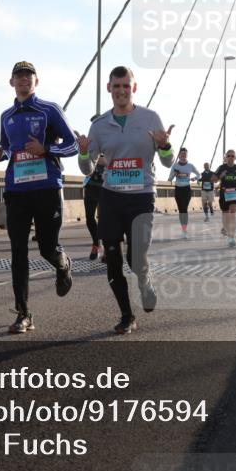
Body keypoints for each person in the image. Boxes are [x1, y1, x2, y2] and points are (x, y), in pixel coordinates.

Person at [76, 66, 173, 334]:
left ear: (134, 88)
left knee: (136, 256)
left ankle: (145, 280)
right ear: (109, 88)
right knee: (113, 256)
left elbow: (168, 162)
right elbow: (87, 169)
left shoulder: (150, 118)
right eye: (116, 86)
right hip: (112, 196)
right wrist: (83, 153)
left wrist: (165, 146)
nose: (121, 91)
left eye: (126, 86)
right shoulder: (99, 125)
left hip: (142, 196)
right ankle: (127, 315)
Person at [0, 61, 77, 334]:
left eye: (29, 76)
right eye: (19, 76)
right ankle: (23, 313)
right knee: (18, 252)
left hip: (47, 187)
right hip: (16, 190)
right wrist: (0, 154)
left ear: (36, 81)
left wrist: (46, 149)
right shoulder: (6, 116)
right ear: (12, 82)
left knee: (46, 248)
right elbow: (8, 147)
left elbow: (73, 145)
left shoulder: (49, 110)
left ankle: (62, 264)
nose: (24, 79)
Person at [213, 150, 236, 247]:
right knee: (226, 214)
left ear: (235, 157)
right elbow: (213, 179)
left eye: (232, 156)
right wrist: (220, 176)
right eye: (228, 156)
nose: (230, 157)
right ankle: (225, 228)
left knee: (232, 214)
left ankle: (231, 238)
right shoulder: (221, 167)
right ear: (225, 157)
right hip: (224, 193)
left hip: (234, 193)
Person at [168, 147, 200, 238]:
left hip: (186, 189)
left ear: (187, 155)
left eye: (185, 154)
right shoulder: (175, 166)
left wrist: (194, 178)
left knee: (184, 209)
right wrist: (174, 174)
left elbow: (199, 174)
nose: (183, 155)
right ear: (179, 155)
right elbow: (170, 179)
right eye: (182, 154)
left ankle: (184, 230)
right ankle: (183, 228)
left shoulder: (190, 166)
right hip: (178, 189)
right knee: (180, 210)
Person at [83, 154, 106, 260]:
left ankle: (107, 248)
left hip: (106, 186)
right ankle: (96, 244)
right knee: (89, 218)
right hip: (91, 185)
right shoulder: (92, 145)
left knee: (104, 218)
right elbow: (84, 161)